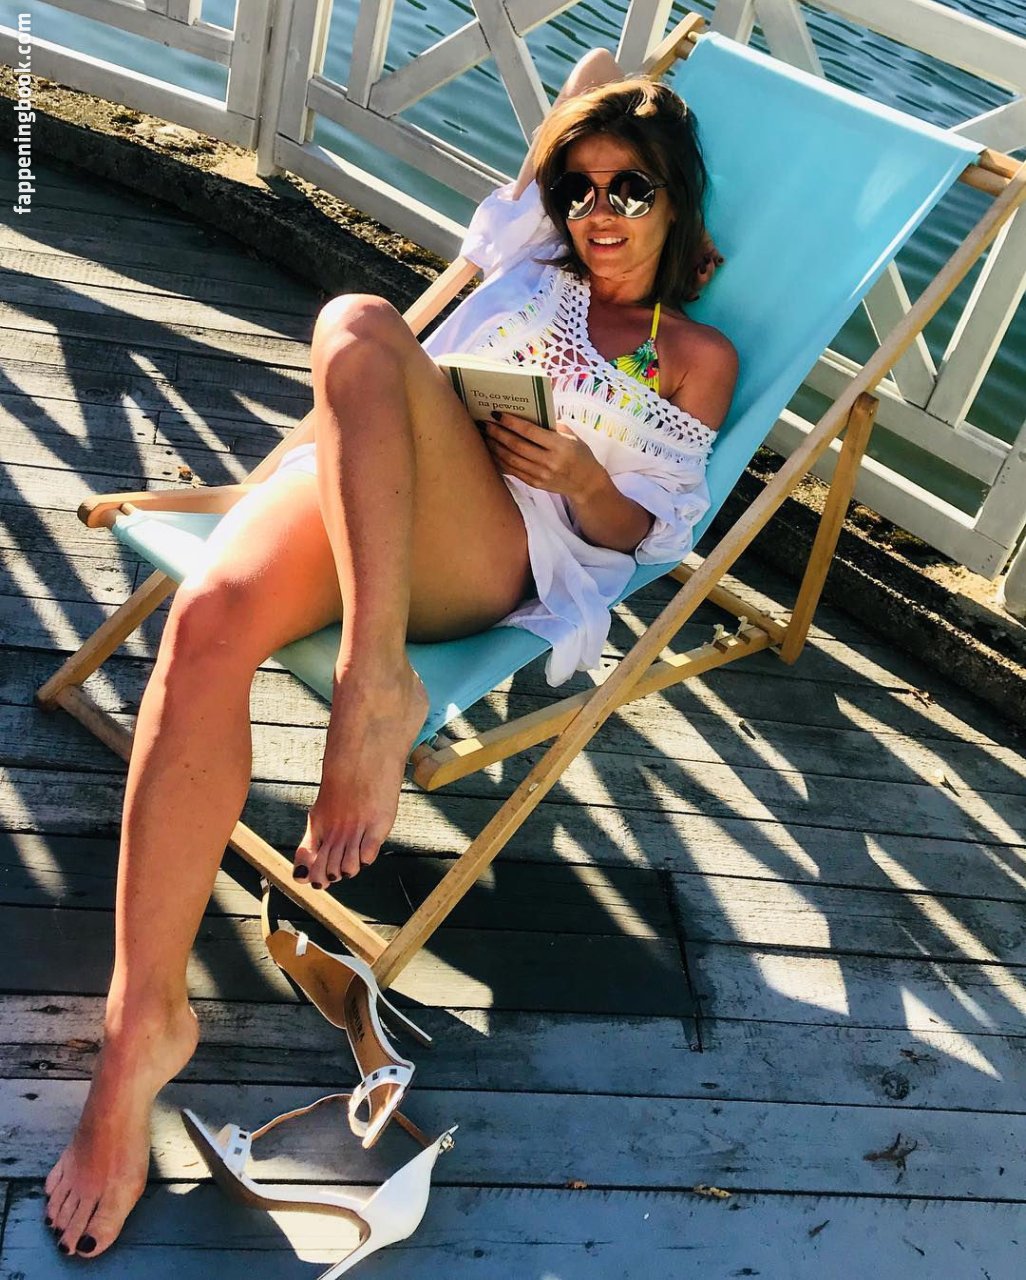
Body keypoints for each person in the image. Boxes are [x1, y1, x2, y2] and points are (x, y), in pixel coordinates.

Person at [43, 48, 738, 1260]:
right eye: (579, 187)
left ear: (678, 199)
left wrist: (584, 477)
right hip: (369, 487)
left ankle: (374, 682)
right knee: (205, 624)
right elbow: (593, 72)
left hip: (498, 541)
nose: (599, 211)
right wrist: (625, 111)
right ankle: (139, 1027)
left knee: (356, 320)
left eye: (632, 188)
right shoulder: (535, 253)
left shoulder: (693, 352)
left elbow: (655, 536)